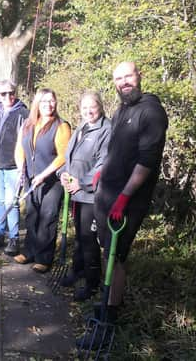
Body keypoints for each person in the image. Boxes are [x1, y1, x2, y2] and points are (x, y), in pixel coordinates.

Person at [84, 62, 167, 328]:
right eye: (118, 78)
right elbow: (115, 147)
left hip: (128, 201)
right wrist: (102, 172)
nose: (123, 82)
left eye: (128, 76)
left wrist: (124, 197)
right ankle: (108, 301)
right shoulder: (123, 108)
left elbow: (146, 162)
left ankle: (110, 316)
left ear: (139, 76)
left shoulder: (151, 112)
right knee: (108, 251)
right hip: (108, 192)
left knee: (116, 256)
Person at [57, 91, 111, 301]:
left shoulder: (106, 130)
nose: (88, 111)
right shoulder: (82, 127)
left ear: (100, 106)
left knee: (89, 239)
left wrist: (83, 183)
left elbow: (102, 164)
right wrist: (63, 175)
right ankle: (78, 269)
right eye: (85, 107)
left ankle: (92, 282)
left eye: (93, 106)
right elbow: (70, 158)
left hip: (91, 195)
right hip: (75, 193)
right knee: (79, 235)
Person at [13, 88, 71, 273]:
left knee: (47, 217)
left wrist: (44, 175)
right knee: (31, 215)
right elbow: (20, 149)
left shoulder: (61, 126)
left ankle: (44, 258)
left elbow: (63, 156)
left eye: (52, 101)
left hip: (51, 181)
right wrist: (21, 168)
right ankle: (29, 251)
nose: (49, 105)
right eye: (44, 101)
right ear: (37, 103)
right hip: (31, 178)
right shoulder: (28, 124)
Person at [0, 80, 29, 256]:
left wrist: (22, 166)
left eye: (11, 93)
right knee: (0, 201)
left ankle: (14, 238)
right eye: (3, 94)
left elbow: (24, 142)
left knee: (12, 202)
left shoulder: (23, 114)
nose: (8, 97)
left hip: (13, 165)